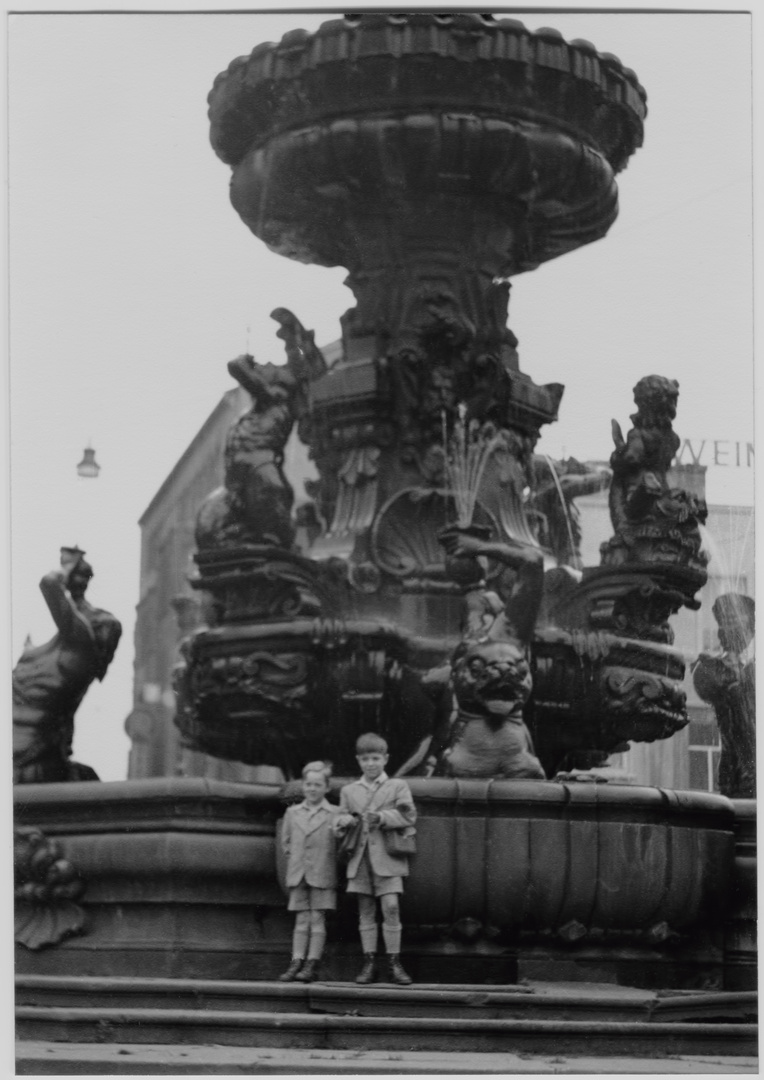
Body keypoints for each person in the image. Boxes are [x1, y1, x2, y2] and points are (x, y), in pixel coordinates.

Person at [13, 547, 122, 784]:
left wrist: (68, 567)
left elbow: (50, 583)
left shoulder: (81, 650)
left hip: (30, 765)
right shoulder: (52, 658)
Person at [334, 733, 417, 986]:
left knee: (391, 906)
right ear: (359, 761)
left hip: (387, 857)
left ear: (385, 759)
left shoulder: (397, 786)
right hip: (359, 858)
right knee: (365, 910)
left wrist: (382, 818)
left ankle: (394, 963)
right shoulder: (349, 790)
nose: (371, 764)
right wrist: (343, 822)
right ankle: (369, 963)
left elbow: (409, 815)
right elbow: (338, 821)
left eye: (376, 758)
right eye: (366, 759)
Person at [279, 760, 339, 983]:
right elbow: (286, 843)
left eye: (317, 784)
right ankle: (296, 961)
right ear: (303, 786)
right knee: (301, 919)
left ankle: (312, 963)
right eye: (308, 784)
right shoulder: (292, 813)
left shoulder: (334, 813)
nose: (312, 789)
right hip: (299, 873)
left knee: (316, 917)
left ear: (326, 788)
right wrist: (299, 860)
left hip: (322, 873)